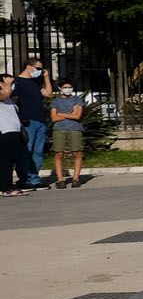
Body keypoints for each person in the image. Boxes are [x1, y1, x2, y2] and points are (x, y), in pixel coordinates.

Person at [14, 58, 48, 189]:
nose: (40, 71)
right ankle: (24, 179)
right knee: (25, 151)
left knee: (37, 152)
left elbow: (49, 93)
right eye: (38, 69)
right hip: (27, 121)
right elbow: (12, 99)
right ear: (29, 67)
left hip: (40, 120)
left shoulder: (36, 82)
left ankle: (35, 179)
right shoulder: (17, 82)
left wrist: (46, 78)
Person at [47, 78, 85, 189]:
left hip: (75, 129)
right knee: (59, 153)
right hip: (59, 129)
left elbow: (77, 116)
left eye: (69, 87)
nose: (68, 89)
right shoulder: (55, 102)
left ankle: (75, 179)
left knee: (76, 153)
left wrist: (62, 114)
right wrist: (71, 113)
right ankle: (60, 180)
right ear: (60, 88)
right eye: (65, 87)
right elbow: (53, 118)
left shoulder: (77, 100)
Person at [0, 74, 32, 196]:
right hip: (4, 132)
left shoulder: (9, 99)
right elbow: (6, 93)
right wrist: (7, 84)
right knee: (5, 161)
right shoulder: (3, 95)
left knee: (8, 161)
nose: (12, 85)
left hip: (13, 132)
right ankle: (6, 188)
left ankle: (5, 185)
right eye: (9, 82)